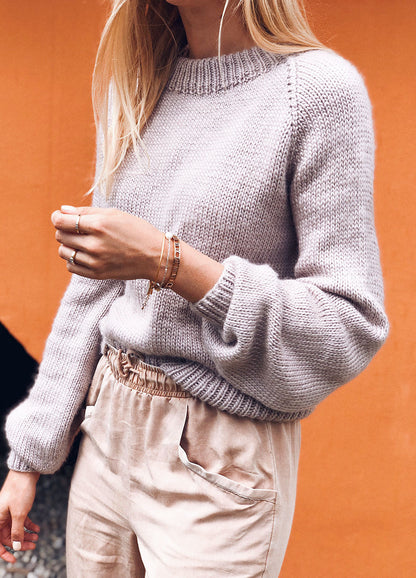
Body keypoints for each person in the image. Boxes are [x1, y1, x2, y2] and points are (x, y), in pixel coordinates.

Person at [0, 0, 390, 575]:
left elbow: (349, 322)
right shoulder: (141, 86)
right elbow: (91, 295)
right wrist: (28, 459)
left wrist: (168, 262)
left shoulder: (318, 92)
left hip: (218, 453)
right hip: (107, 432)